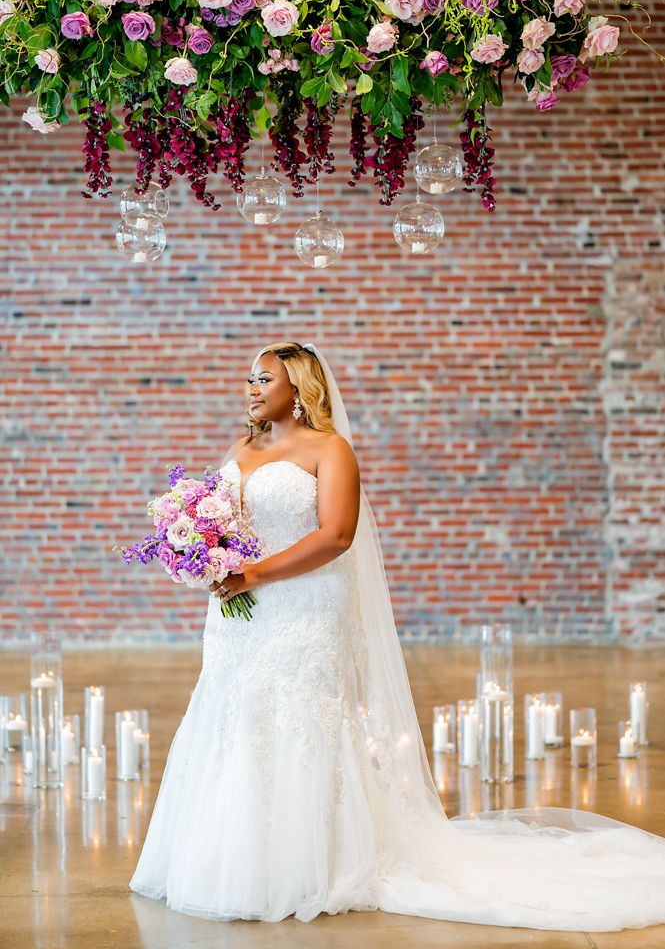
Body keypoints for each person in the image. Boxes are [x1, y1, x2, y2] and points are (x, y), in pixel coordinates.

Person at [130, 342, 665, 932]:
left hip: (306, 606)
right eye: (250, 379)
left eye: (264, 379)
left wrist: (252, 572)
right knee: (238, 715)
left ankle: (313, 863)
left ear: (301, 388)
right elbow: (226, 524)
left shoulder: (331, 450)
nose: (251, 388)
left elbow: (337, 535)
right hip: (241, 610)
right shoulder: (240, 448)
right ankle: (227, 857)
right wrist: (200, 554)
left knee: (301, 720)